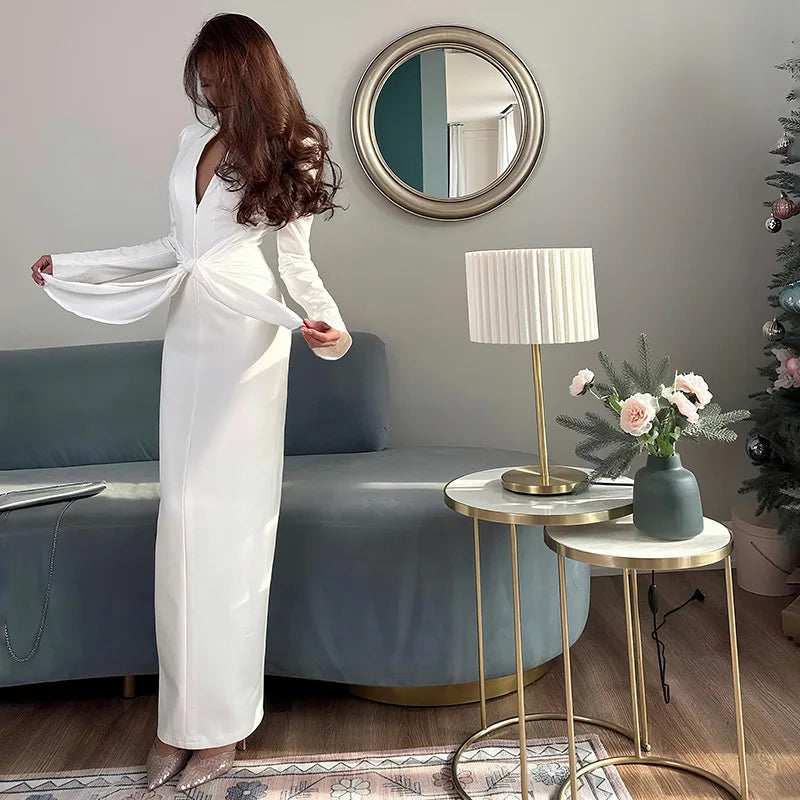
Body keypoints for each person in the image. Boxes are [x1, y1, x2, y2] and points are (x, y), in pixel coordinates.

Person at [30, 12, 352, 792]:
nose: (204, 88)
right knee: (182, 529)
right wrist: (75, 266)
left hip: (248, 341)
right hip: (191, 334)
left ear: (247, 72)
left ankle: (224, 729)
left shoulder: (292, 147)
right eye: (198, 75)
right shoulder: (188, 145)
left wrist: (331, 327)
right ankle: (181, 722)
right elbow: (175, 249)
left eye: (215, 74)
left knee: (232, 532)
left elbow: (296, 263)